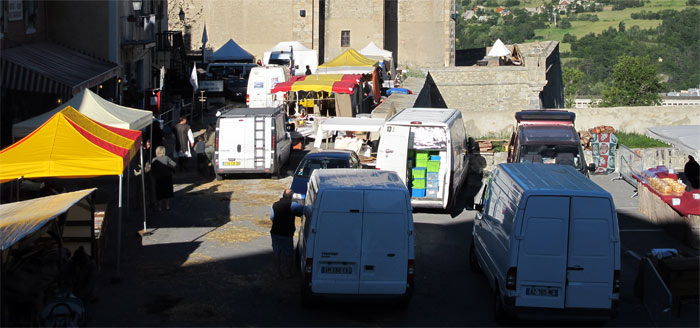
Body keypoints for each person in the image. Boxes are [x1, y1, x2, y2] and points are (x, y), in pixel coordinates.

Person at [270, 189, 304, 278]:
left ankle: (278, 272)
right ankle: (288, 272)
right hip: (286, 233)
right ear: (291, 197)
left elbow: (272, 218)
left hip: (275, 232)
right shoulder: (293, 205)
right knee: (288, 254)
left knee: (276, 253)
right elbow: (303, 211)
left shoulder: (275, 205)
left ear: (283, 195)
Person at [151, 146, 176, 211]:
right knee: (167, 191)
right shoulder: (166, 158)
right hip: (167, 176)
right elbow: (174, 164)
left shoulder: (154, 159)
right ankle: (167, 206)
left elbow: (152, 169)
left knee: (159, 191)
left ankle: (159, 207)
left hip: (158, 178)